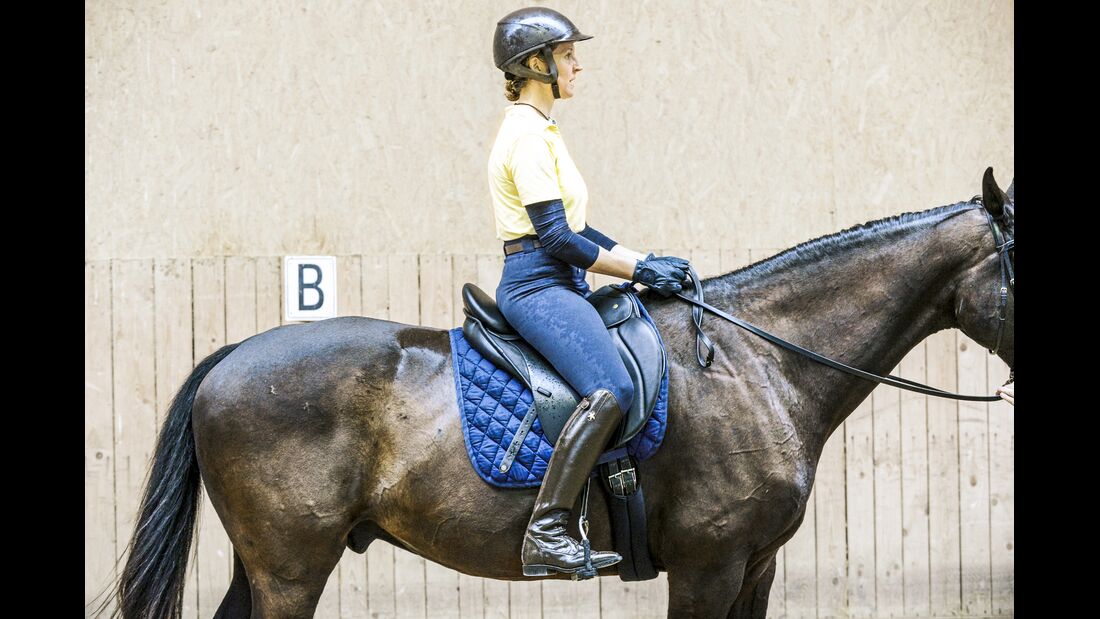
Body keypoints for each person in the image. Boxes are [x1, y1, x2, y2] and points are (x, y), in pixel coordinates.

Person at [488, 7, 691, 578]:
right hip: (537, 284)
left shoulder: (544, 131)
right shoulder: (526, 136)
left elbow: (581, 232)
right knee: (611, 386)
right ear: (536, 64)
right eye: (568, 54)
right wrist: (637, 270)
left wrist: (644, 263)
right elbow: (555, 238)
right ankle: (547, 529)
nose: (580, 64)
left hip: (561, 278)